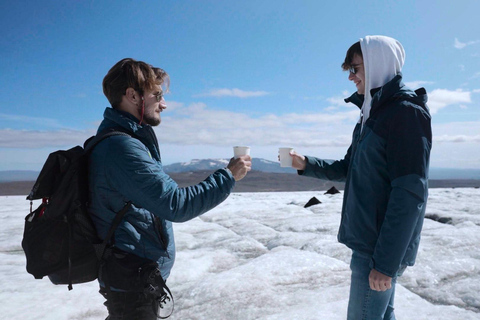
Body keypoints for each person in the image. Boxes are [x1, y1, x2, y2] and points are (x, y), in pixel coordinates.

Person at [88, 58, 252, 319]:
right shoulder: (122, 148)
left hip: (134, 278)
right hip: (131, 283)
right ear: (132, 95)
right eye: (157, 95)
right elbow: (176, 204)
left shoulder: (125, 141)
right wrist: (229, 176)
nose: (163, 104)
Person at [290, 36, 432, 319]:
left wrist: (386, 263)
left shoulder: (404, 113)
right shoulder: (373, 114)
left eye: (355, 68)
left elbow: (409, 194)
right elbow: (348, 168)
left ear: (377, 63)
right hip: (372, 243)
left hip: (378, 249)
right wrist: (305, 164)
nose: (351, 77)